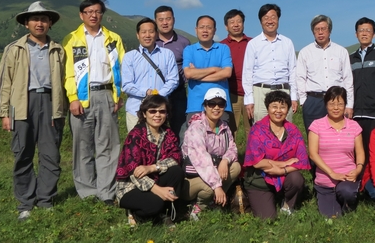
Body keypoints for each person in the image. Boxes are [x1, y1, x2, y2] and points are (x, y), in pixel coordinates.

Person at [0, 1, 66, 221]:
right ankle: (25, 202)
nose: (39, 23)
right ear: (27, 23)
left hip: (51, 104)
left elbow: (65, 80)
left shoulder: (58, 50)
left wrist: (61, 108)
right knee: (23, 153)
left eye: (44, 19)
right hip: (22, 104)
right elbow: (4, 81)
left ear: (50, 23)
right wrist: (4, 113)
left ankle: (45, 200)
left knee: (50, 154)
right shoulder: (14, 49)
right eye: (35, 19)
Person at [63, 0, 125, 204]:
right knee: (83, 146)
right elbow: (68, 73)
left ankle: (107, 192)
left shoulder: (113, 38)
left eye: (97, 11)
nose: (93, 15)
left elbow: (121, 68)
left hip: (107, 94)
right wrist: (72, 98)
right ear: (81, 15)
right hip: (81, 97)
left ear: (102, 14)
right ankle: (87, 192)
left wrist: (118, 96)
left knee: (108, 145)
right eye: (88, 12)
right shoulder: (71, 39)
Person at [115, 95, 184, 227]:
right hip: (131, 186)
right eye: (152, 111)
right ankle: (136, 214)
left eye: (162, 111)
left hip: (155, 176)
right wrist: (158, 190)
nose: (157, 115)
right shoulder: (135, 135)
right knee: (156, 203)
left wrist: (153, 167)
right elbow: (134, 172)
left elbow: (176, 158)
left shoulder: (168, 133)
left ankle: (166, 213)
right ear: (144, 114)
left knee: (177, 172)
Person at [243, 90, 310, 220]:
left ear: (288, 110)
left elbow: (302, 160)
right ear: (268, 108)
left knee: (296, 179)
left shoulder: (293, 131)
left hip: (285, 176)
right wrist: (284, 164)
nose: (278, 111)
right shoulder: (257, 129)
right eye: (274, 106)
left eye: (283, 107)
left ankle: (287, 204)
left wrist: (282, 171)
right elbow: (257, 161)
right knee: (268, 219)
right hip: (260, 180)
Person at [182, 88, 242, 221]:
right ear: (205, 106)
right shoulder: (196, 128)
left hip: (213, 169)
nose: (216, 107)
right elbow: (202, 160)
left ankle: (213, 202)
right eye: (211, 104)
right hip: (192, 177)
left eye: (221, 104)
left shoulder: (224, 126)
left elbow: (232, 148)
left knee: (236, 167)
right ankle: (197, 208)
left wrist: (225, 161)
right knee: (209, 187)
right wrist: (217, 186)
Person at [308, 86, 364, 218]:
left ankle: (348, 202)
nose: (336, 108)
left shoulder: (354, 126)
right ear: (326, 105)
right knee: (330, 216)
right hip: (325, 180)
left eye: (340, 104)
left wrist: (358, 170)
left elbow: (360, 152)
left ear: (345, 105)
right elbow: (313, 154)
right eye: (332, 104)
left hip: (347, 178)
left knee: (347, 192)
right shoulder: (317, 125)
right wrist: (332, 173)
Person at [297, 15, 354, 132]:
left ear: (330, 30)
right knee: (314, 136)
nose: (320, 32)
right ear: (313, 32)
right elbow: (300, 78)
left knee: (337, 135)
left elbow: (347, 79)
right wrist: (304, 101)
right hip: (313, 101)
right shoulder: (305, 52)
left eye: (323, 28)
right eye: (317, 29)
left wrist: (349, 105)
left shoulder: (341, 51)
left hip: (336, 100)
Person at [243, 4, 298, 122]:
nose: (270, 21)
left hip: (283, 91)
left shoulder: (287, 42)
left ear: (278, 20)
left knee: (284, 127)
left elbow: (293, 71)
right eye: (266, 18)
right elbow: (247, 72)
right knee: (261, 128)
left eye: (273, 17)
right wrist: (249, 100)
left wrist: (293, 96)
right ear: (260, 22)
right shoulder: (253, 44)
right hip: (260, 91)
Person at [122, 18, 179, 131]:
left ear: (156, 34)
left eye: (151, 32)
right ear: (138, 35)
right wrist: (146, 92)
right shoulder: (129, 57)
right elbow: (126, 85)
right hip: (135, 110)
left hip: (160, 112)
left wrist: (158, 94)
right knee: (136, 142)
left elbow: (173, 80)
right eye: (143, 32)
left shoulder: (167, 54)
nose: (147, 35)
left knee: (160, 141)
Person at [350, 17, 375, 165]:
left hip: (374, 114)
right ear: (356, 34)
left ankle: (374, 178)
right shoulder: (351, 58)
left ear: (374, 34)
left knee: (374, 150)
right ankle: (359, 177)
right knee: (357, 151)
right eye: (361, 30)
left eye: (368, 30)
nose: (364, 33)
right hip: (355, 114)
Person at [183, 15, 233, 128]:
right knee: (195, 138)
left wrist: (197, 75)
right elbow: (188, 74)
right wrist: (214, 69)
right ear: (196, 30)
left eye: (209, 27)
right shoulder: (189, 50)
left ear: (214, 30)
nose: (205, 30)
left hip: (220, 105)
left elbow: (227, 73)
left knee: (220, 137)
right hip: (196, 105)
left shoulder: (223, 48)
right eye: (202, 27)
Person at [154, 5, 191, 143]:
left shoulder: (184, 42)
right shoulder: (151, 40)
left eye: (168, 19)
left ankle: (179, 156)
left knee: (181, 130)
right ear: (156, 21)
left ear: (173, 20)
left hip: (178, 93)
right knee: (156, 130)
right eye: (161, 19)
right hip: (156, 93)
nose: (165, 23)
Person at [220, 9, 252, 138]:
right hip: (231, 93)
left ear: (243, 24)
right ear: (226, 26)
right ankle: (231, 152)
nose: (236, 24)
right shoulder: (221, 46)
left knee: (252, 129)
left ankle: (252, 151)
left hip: (251, 93)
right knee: (230, 129)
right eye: (232, 22)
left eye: (239, 21)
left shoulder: (253, 43)